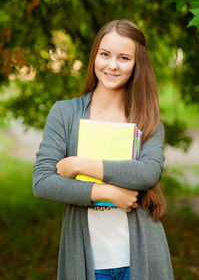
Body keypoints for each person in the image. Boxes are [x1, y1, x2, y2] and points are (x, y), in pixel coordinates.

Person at [33, 19, 174, 280]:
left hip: (142, 257)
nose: (112, 65)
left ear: (136, 64)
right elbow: (42, 182)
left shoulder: (147, 120)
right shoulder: (65, 113)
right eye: (105, 54)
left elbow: (147, 174)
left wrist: (79, 164)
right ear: (94, 56)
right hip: (89, 261)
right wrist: (107, 192)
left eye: (123, 58)